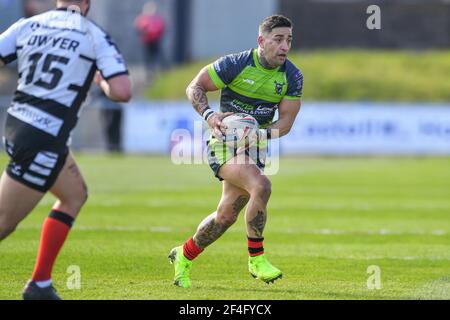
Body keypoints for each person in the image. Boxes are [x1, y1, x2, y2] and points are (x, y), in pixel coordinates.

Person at [0, 0, 131, 300]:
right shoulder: (93, 35)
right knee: (4, 222)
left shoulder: (29, 24)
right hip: (44, 137)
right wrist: (101, 79)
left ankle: (40, 284)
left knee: (74, 195)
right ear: (87, 4)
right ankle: (38, 286)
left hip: (18, 125)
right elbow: (122, 91)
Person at [168, 15, 304, 288]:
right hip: (223, 143)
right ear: (261, 40)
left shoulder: (292, 75)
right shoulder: (236, 63)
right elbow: (194, 86)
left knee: (225, 216)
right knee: (262, 186)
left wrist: (260, 134)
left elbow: (286, 123)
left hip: (254, 148)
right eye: (278, 39)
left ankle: (184, 254)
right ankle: (257, 259)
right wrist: (209, 115)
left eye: (288, 40)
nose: (284, 46)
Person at [134, 1, 166, 76]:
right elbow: (138, 28)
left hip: (155, 40)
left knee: (157, 55)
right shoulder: (142, 18)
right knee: (148, 57)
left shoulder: (157, 18)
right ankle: (149, 71)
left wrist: (157, 35)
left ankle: (161, 70)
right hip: (147, 40)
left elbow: (161, 28)